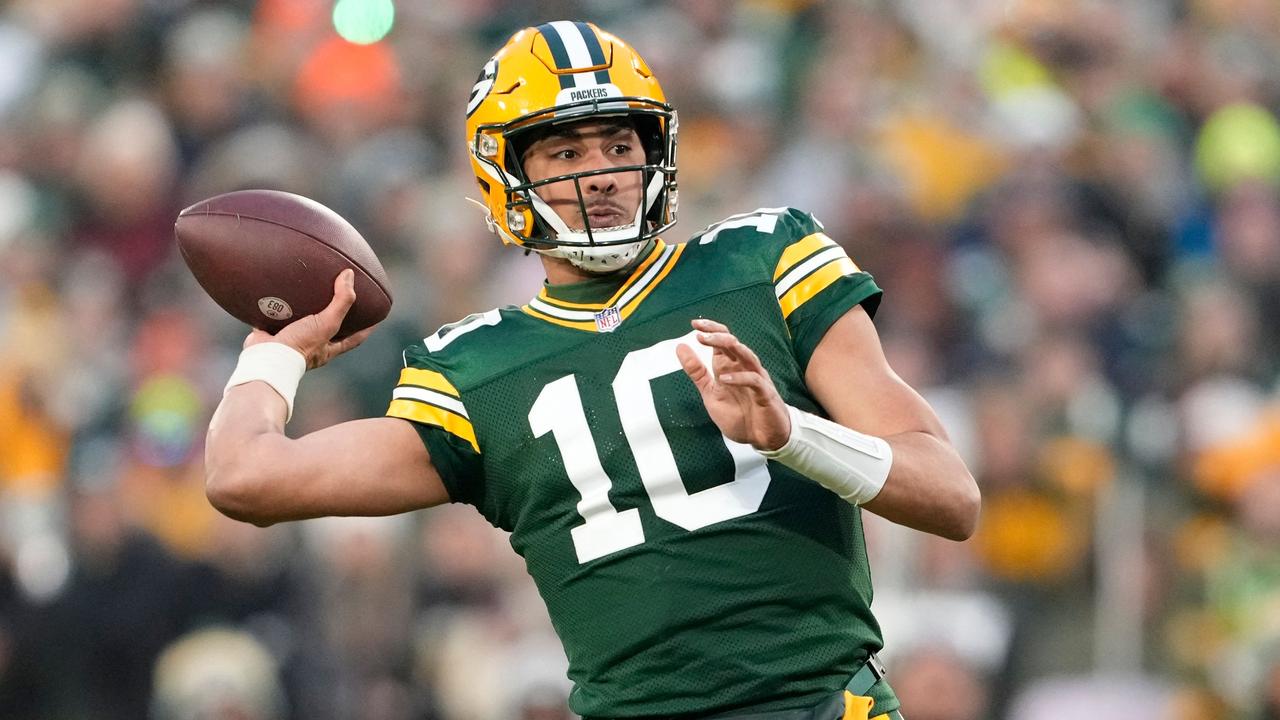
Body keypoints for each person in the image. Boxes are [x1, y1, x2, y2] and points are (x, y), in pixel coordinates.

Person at [204, 21, 980, 720]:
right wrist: (275, 353)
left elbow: (951, 496)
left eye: (619, 145)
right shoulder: (475, 372)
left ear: (657, 153)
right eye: (567, 151)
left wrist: (792, 434)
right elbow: (245, 477)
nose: (603, 174)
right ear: (503, 174)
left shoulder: (764, 264)